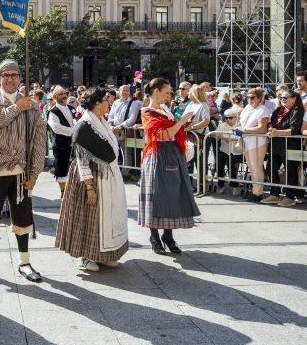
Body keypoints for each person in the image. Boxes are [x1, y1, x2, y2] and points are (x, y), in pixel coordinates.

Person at [0, 59, 47, 287]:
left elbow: (38, 143)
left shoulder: (32, 106)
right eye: (5, 75)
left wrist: (34, 173)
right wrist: (16, 108)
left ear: (20, 79)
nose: (10, 79)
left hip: (20, 172)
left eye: (14, 75)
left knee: (23, 218)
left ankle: (24, 263)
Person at [56, 87, 128, 272]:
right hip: (90, 176)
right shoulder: (85, 124)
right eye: (106, 100)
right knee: (90, 217)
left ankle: (106, 255)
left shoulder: (101, 120)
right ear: (96, 103)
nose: (109, 102)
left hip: (107, 175)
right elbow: (81, 160)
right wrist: (89, 187)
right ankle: (86, 257)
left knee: (109, 216)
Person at [139, 78, 200, 255]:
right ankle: (154, 237)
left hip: (172, 153)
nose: (168, 96)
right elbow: (162, 135)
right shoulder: (147, 112)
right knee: (156, 195)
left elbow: (173, 132)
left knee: (172, 193)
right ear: (156, 91)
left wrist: (183, 125)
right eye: (166, 92)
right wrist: (181, 122)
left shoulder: (165, 110)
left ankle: (168, 235)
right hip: (158, 154)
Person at [238, 88, 271, 202]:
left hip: (258, 141)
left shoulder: (263, 110)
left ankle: (257, 193)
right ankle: (254, 191)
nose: (249, 99)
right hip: (247, 140)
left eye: (252, 97)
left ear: (259, 98)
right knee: (252, 168)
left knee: (257, 167)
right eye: (248, 97)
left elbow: (262, 128)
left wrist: (245, 130)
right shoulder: (246, 108)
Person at [47, 85, 76, 196]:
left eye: (65, 93)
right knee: (61, 168)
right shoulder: (53, 112)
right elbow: (56, 128)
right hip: (61, 145)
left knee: (73, 169)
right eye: (60, 94)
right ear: (55, 97)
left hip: (73, 144)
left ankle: (71, 191)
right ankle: (63, 193)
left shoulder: (71, 108)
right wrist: (73, 130)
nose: (64, 96)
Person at [214, 108, 244, 195]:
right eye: (226, 117)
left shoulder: (240, 125)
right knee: (219, 164)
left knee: (232, 164)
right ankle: (220, 185)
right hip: (224, 150)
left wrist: (231, 139)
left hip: (237, 151)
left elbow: (242, 137)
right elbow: (214, 134)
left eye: (230, 118)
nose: (227, 119)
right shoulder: (222, 125)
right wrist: (221, 137)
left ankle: (234, 185)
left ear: (236, 117)